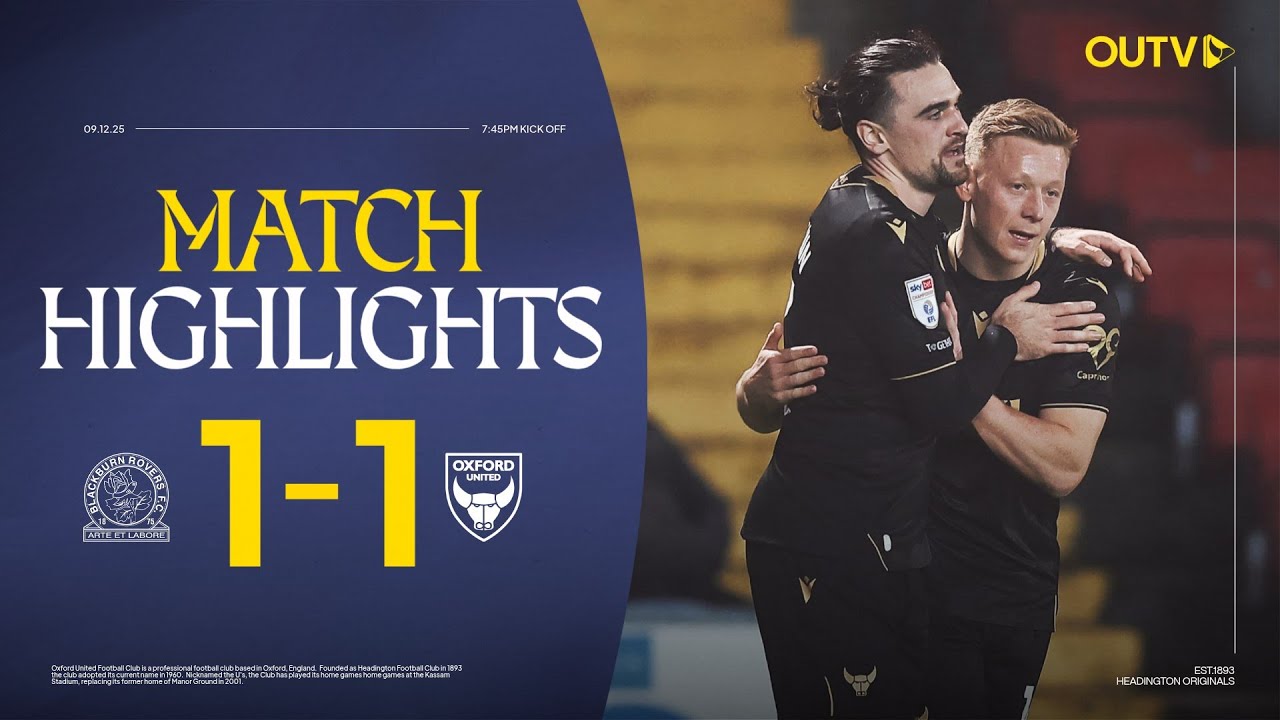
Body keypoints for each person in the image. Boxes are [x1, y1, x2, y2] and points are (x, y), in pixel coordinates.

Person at [736, 33, 1109, 719]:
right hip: (838, 544)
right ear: (875, 137)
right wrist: (1005, 339)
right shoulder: (883, 240)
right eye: (934, 112)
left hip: (875, 550)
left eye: (957, 105)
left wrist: (1048, 236)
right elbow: (939, 405)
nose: (959, 125)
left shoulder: (880, 215)